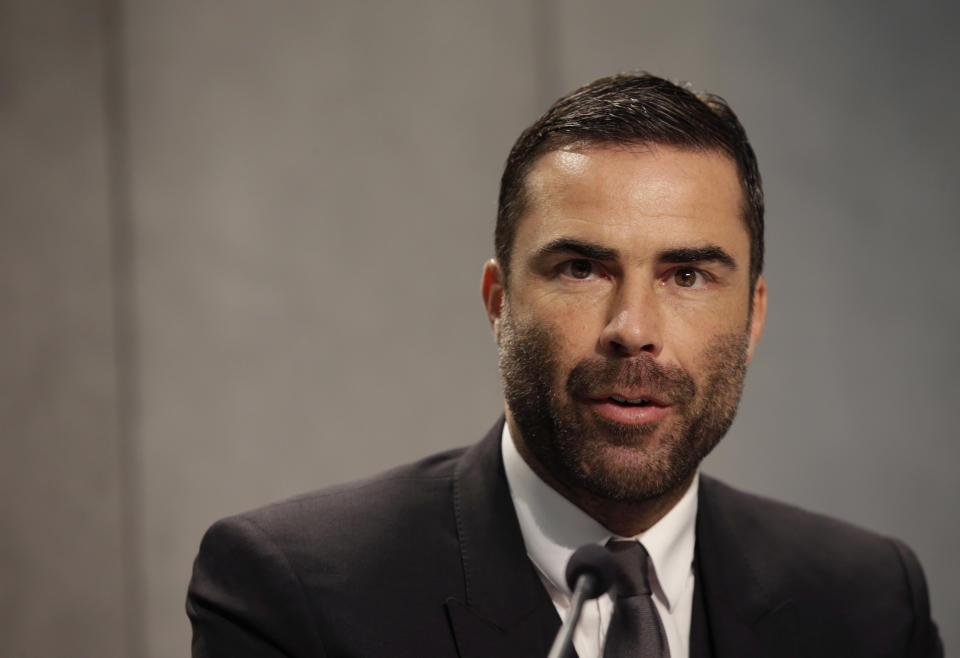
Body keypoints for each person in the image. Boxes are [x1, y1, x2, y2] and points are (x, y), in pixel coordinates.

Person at [187, 72, 943, 657]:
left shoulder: (871, 602)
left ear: (753, 317)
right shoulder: (294, 596)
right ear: (498, 303)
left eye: (687, 276)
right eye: (582, 268)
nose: (633, 330)